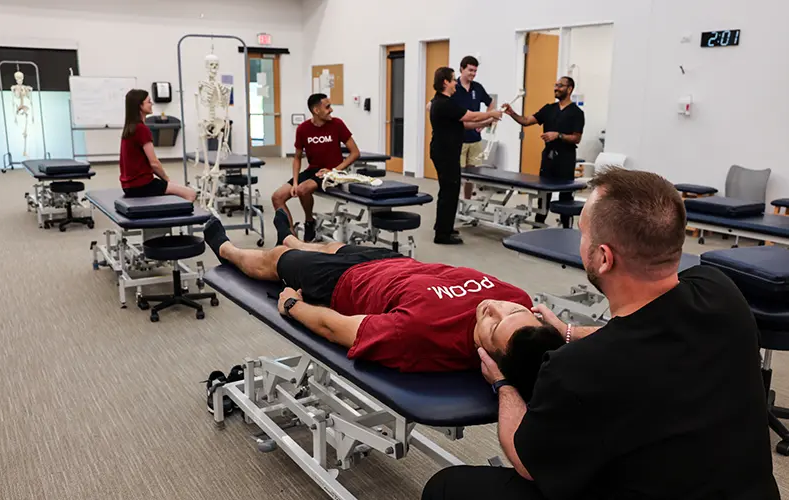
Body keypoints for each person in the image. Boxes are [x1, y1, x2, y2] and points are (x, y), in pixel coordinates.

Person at [422, 168, 780, 500]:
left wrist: (504, 385)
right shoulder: (720, 291)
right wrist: (569, 331)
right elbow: (650, 328)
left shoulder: (576, 371)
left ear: (604, 258)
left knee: (447, 487)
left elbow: (527, 463)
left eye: (583, 233)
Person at [202, 208, 564, 385]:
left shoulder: (419, 336)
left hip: (341, 283)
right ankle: (293, 239)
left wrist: (292, 306)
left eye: (491, 324)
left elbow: (335, 328)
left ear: (489, 360)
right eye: (511, 310)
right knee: (332, 245)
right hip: (394, 263)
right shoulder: (516, 296)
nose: (492, 306)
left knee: (275, 260)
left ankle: (228, 250)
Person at [271, 93, 360, 243]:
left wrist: (334, 171)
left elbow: (355, 153)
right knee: (277, 197)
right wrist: (294, 182)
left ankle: (309, 222)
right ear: (316, 110)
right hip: (313, 171)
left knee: (302, 190)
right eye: (327, 107)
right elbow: (297, 157)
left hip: (332, 173)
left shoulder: (337, 124)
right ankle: (290, 237)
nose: (331, 110)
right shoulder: (303, 129)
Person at [430, 67, 502, 244]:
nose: (455, 83)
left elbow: (464, 124)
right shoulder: (444, 103)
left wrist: (488, 121)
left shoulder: (443, 102)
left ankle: (444, 226)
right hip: (445, 153)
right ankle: (442, 234)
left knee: (449, 191)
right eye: (453, 80)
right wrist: (490, 113)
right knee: (449, 191)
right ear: (445, 82)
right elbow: (470, 115)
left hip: (446, 151)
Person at [502, 76, 584, 228]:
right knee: (543, 193)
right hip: (548, 157)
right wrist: (511, 113)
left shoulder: (576, 113)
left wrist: (558, 135)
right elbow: (526, 121)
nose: (556, 88)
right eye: (555, 85)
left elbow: (576, 138)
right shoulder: (549, 109)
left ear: (569, 89)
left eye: (560, 85)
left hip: (565, 158)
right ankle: (538, 226)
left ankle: (566, 229)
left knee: (565, 195)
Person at [119, 89, 196, 201]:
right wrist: (167, 180)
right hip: (143, 186)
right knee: (190, 194)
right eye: (149, 102)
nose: (152, 104)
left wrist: (165, 183)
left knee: (172, 189)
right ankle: (180, 219)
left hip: (128, 187)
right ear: (140, 105)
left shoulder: (129, 128)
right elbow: (154, 163)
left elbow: (149, 165)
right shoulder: (142, 129)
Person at [452, 56, 494, 199]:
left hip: (475, 140)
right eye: (470, 70)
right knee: (457, 176)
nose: (473, 73)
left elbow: (491, 102)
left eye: (475, 71)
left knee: (473, 176)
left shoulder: (477, 87)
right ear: (462, 69)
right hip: (458, 139)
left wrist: (487, 120)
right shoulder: (453, 88)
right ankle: (455, 206)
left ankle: (467, 203)